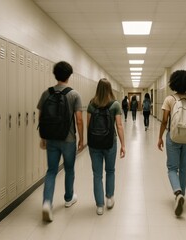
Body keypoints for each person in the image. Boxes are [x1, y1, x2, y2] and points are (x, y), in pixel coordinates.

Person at [37, 61, 84, 222]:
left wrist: (43, 138)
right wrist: (82, 139)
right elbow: (79, 120)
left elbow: (41, 117)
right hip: (68, 139)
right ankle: (68, 198)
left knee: (51, 171)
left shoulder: (46, 93)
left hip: (51, 139)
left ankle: (47, 203)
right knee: (69, 169)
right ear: (69, 76)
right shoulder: (74, 94)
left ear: (55, 75)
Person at [157, 70, 186, 217]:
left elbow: (164, 121)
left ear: (173, 83)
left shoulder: (170, 99)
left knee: (171, 168)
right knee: (184, 169)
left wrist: (160, 137)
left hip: (174, 137)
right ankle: (181, 195)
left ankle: (178, 193)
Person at [87, 78, 125, 215]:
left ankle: (99, 206)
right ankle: (109, 198)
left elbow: (88, 125)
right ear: (109, 89)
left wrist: (90, 141)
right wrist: (123, 145)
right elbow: (119, 126)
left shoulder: (92, 104)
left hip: (94, 144)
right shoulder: (115, 105)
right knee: (110, 170)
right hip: (110, 142)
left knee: (97, 174)